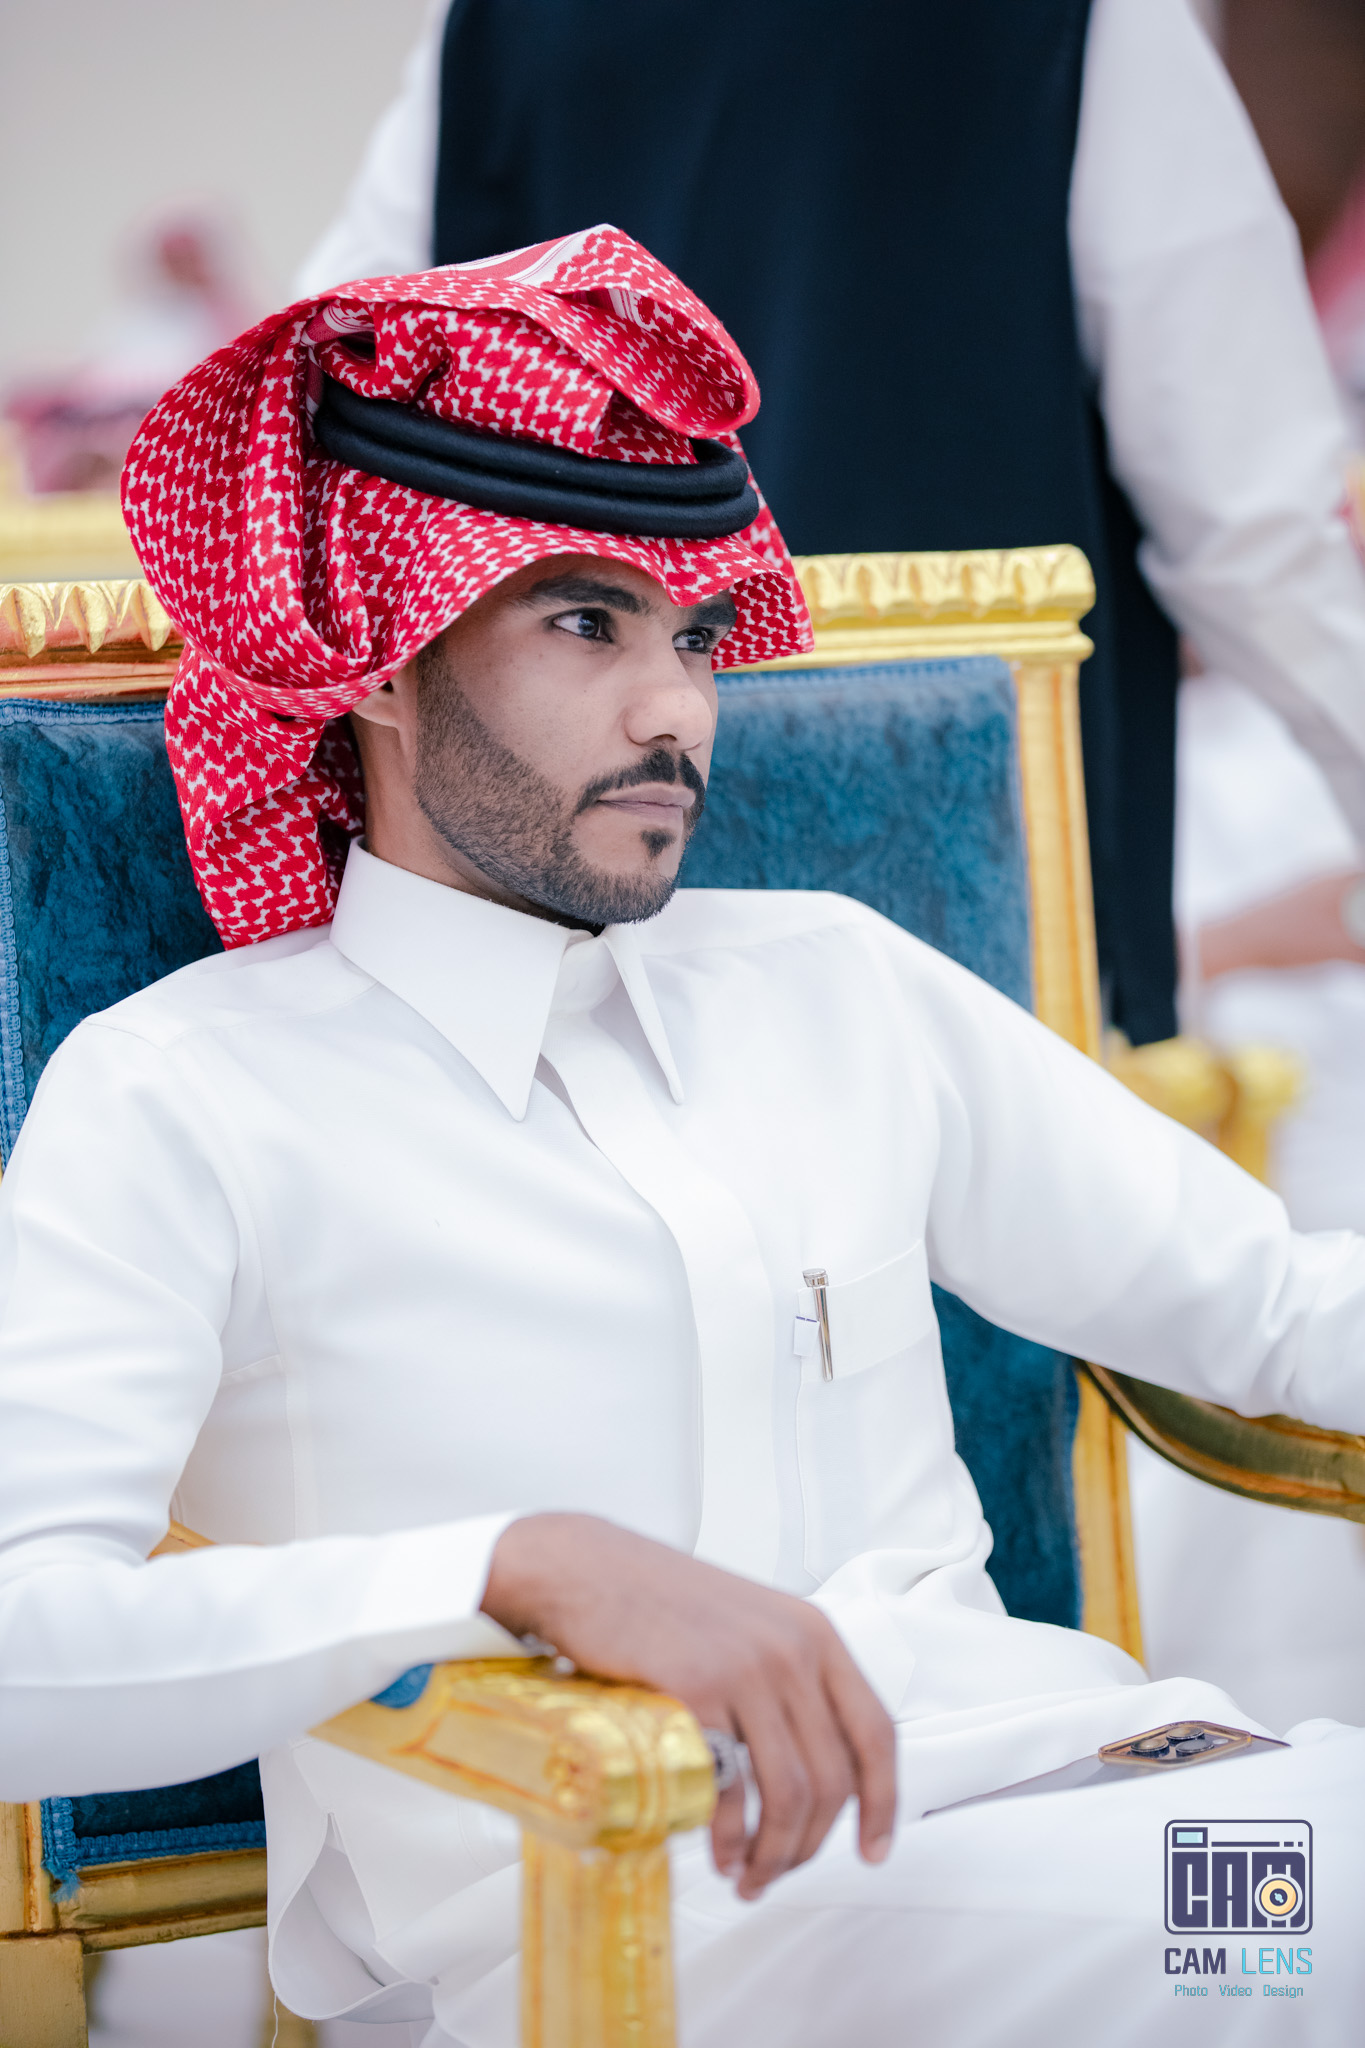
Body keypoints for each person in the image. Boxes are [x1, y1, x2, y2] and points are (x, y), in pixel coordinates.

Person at [1, 231, 1363, 2046]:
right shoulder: (189, 1091)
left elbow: (1270, 1308)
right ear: (382, 659)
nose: (677, 711)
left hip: (1086, 1798)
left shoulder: (833, 980)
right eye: (586, 625)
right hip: (633, 1913)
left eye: (694, 636)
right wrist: (510, 1566)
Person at [296, 0, 1365, 1054]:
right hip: (954, 841)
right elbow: (1254, 527)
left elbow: (325, 399)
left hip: (562, 867)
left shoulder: (500, 22)